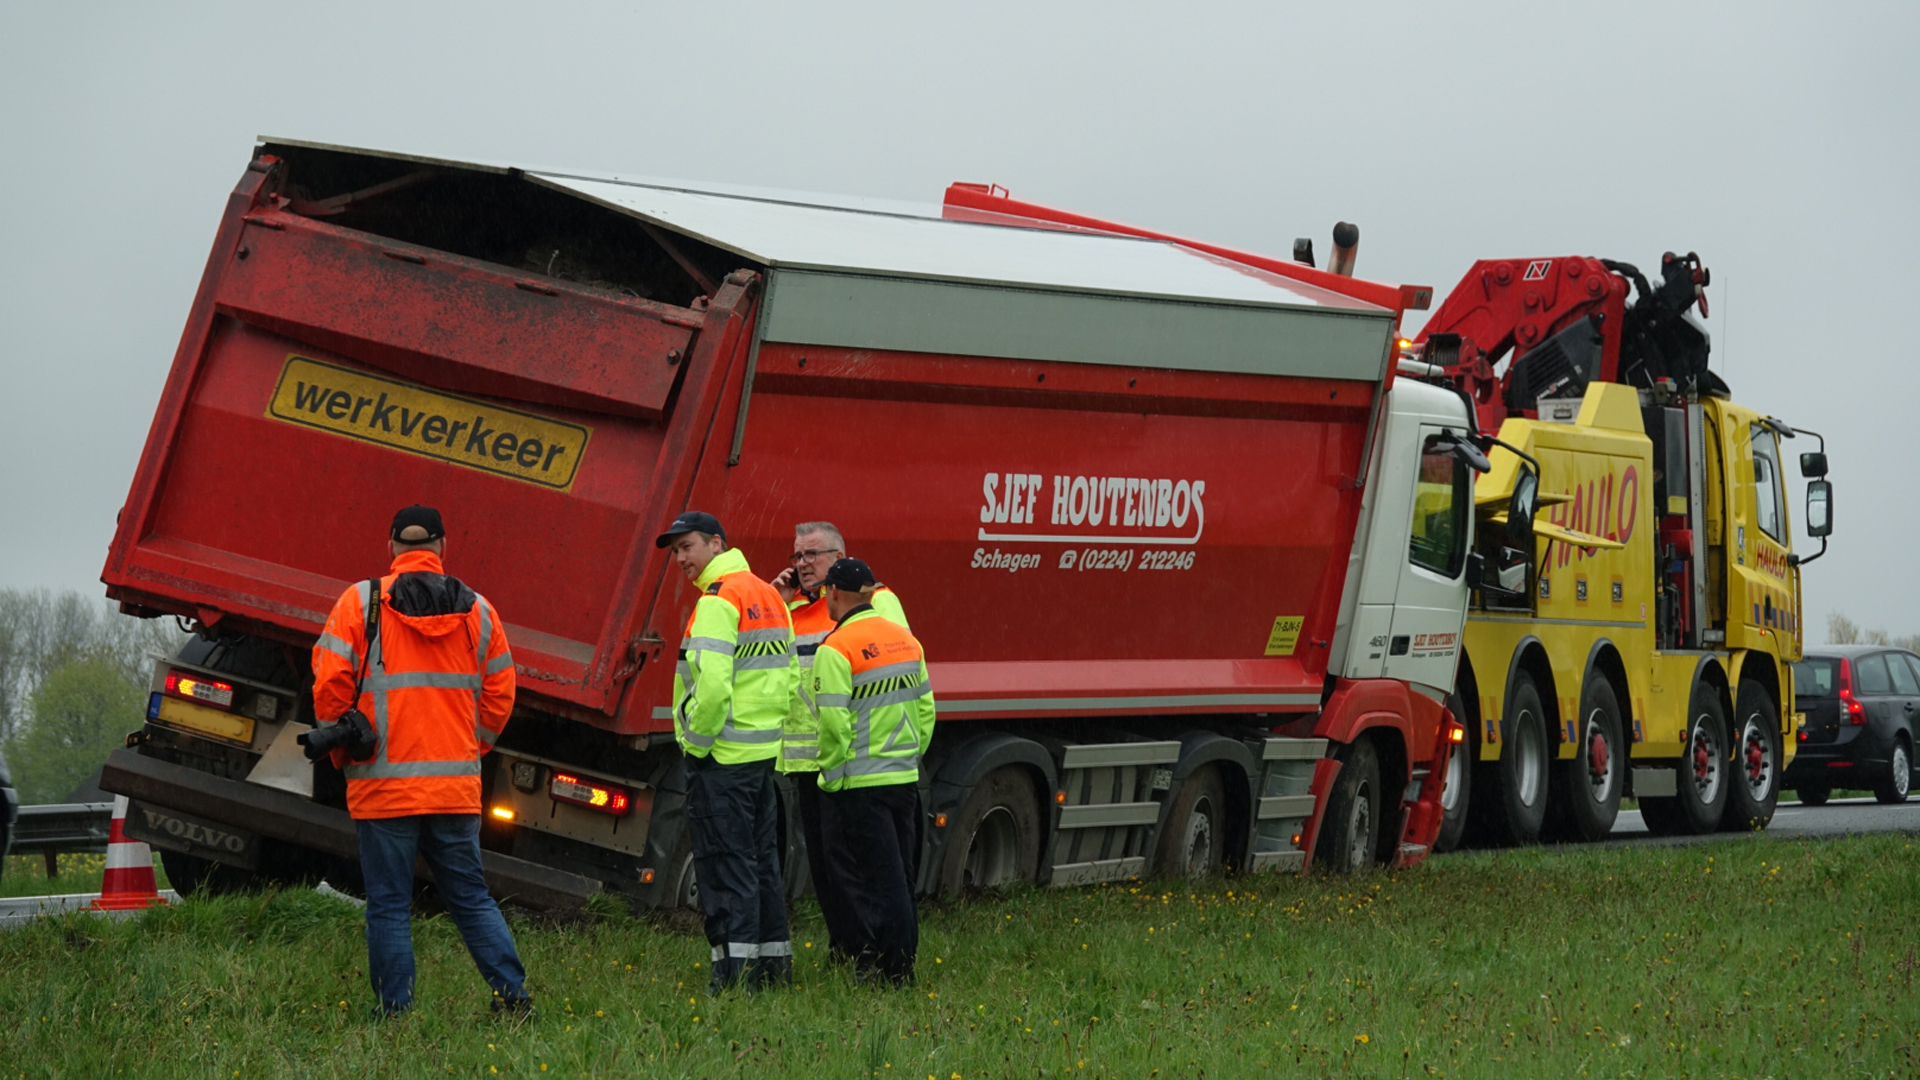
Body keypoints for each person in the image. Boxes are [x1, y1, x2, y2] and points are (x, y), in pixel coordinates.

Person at [310, 505, 529, 1020]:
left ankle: (395, 1013)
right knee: (472, 899)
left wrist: (346, 748)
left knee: (388, 906)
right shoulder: (479, 611)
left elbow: (329, 683)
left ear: (390, 548)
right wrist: (469, 748)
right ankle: (514, 999)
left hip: (383, 788)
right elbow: (501, 693)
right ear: (442, 548)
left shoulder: (360, 603)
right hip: (453, 789)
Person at [656, 510, 795, 992]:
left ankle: (735, 980)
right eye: (675, 551)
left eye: (687, 547)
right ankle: (773, 971)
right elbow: (788, 678)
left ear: (716, 544)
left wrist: (695, 745)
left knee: (725, 869)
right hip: (759, 758)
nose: (680, 559)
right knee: (761, 866)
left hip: (721, 760)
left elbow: (712, 690)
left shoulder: (718, 601)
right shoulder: (767, 595)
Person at [769, 522, 908, 959]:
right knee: (827, 867)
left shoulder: (877, 602)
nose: (802, 564)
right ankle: (846, 945)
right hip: (807, 761)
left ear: (839, 556)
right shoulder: (792, 608)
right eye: (797, 557)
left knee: (857, 867)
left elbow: (897, 668)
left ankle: (869, 948)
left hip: (851, 762)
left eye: (812, 554)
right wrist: (776, 604)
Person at [811, 558, 936, 986]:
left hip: (858, 784)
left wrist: (832, 775)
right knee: (899, 875)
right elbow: (926, 711)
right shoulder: (905, 641)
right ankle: (900, 964)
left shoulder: (836, 648)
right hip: (902, 778)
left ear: (834, 592)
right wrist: (908, 757)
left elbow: (832, 724)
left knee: (871, 881)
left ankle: (891, 971)